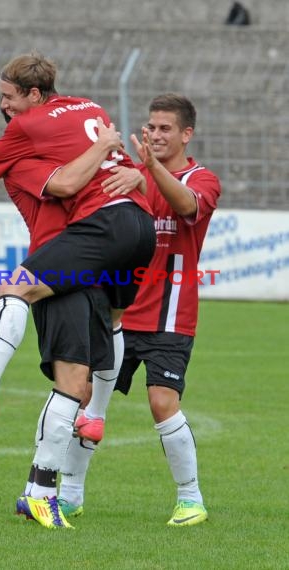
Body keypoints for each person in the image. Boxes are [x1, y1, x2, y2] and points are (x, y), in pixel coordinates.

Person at [0, 52, 155, 528]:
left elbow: (62, 171)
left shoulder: (37, 137)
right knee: (73, 380)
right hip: (82, 259)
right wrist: (117, 157)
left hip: (84, 252)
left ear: (32, 96)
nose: (5, 108)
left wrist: (130, 168)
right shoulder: (34, 156)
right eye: (1, 102)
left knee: (41, 317)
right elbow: (64, 181)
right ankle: (42, 490)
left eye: (10, 98)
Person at [56, 93, 221, 527]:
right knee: (83, 396)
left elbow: (186, 205)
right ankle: (70, 496)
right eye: (151, 126)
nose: (156, 134)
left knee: (162, 401)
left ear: (187, 134)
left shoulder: (203, 179)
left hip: (170, 314)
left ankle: (191, 500)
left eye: (166, 128)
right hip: (117, 312)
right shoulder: (129, 173)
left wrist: (147, 174)